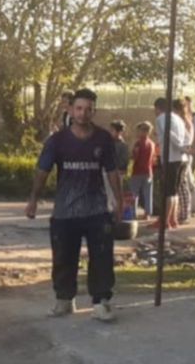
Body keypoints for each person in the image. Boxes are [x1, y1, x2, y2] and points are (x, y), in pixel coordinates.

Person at [26, 89, 124, 322]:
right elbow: (42, 171)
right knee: (63, 257)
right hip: (65, 211)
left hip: (96, 210)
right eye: (79, 108)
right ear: (70, 110)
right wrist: (33, 200)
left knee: (102, 257)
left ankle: (101, 302)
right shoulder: (57, 141)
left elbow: (112, 172)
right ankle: (64, 299)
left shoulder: (103, 139)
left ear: (94, 111)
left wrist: (119, 202)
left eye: (88, 109)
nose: (83, 113)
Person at [154, 98, 191, 229]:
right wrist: (186, 147)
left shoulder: (161, 118)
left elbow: (168, 133)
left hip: (170, 158)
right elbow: (187, 135)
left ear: (157, 108)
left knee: (168, 191)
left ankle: (164, 221)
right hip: (182, 159)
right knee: (174, 191)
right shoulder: (178, 118)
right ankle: (173, 219)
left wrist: (180, 147)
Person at [173, 99, 195, 224]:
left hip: (183, 153)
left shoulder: (182, 121)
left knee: (183, 184)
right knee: (183, 184)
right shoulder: (187, 119)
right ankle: (183, 212)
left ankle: (184, 213)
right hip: (185, 153)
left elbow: (182, 139)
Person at [130, 121, 157, 220]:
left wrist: (132, 155)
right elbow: (154, 159)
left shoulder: (138, 143)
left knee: (134, 193)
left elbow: (135, 156)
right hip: (148, 171)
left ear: (142, 131)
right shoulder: (152, 143)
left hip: (137, 171)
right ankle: (148, 213)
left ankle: (133, 213)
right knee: (148, 193)